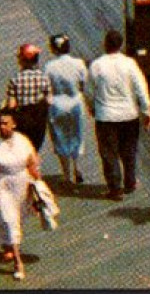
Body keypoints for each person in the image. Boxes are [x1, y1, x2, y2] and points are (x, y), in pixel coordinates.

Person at [87, 28, 150, 200]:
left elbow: (89, 90)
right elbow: (141, 87)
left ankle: (115, 188)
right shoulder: (130, 64)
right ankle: (130, 182)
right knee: (129, 151)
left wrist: (92, 107)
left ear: (105, 44)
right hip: (129, 115)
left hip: (105, 116)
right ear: (120, 45)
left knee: (109, 153)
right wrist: (147, 111)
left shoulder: (96, 65)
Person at [0, 107, 41, 281]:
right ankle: (18, 263)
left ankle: (8, 245)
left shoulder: (23, 141)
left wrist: (38, 189)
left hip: (20, 184)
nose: (2, 127)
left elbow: (33, 164)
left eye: (5, 123)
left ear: (14, 124)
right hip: (1, 185)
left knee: (16, 219)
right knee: (8, 219)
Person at [43, 35, 89, 186]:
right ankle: (77, 167)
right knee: (77, 135)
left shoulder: (49, 66)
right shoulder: (79, 63)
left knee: (60, 138)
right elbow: (83, 83)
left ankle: (66, 174)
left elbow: (46, 88)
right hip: (75, 102)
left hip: (57, 103)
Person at [5, 43, 53, 152]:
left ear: (22, 60)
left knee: (23, 148)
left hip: (22, 119)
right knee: (35, 148)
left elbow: (11, 105)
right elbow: (49, 100)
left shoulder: (15, 79)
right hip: (39, 119)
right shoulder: (43, 78)